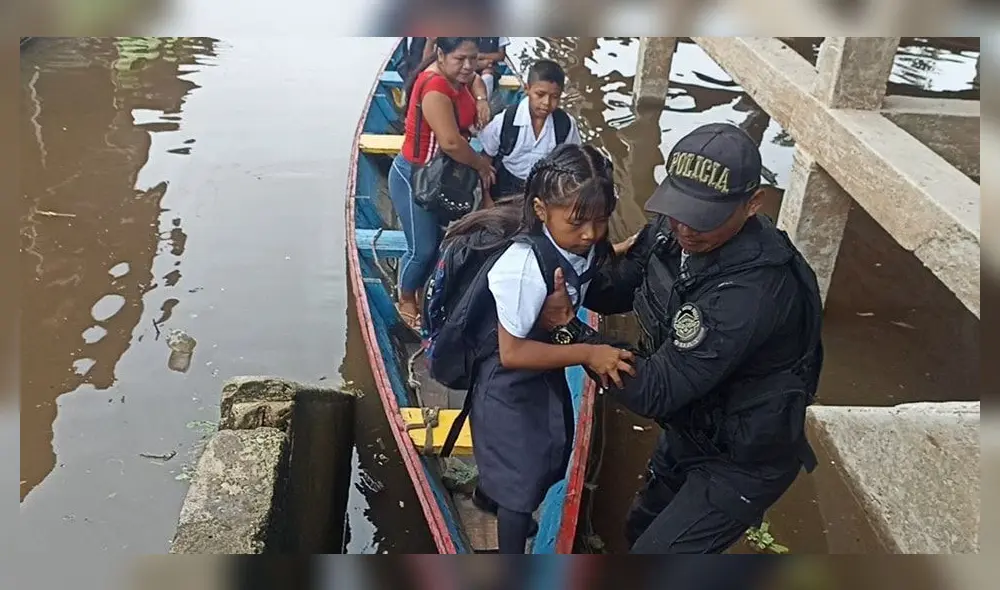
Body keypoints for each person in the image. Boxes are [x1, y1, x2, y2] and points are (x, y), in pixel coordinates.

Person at [536, 122, 825, 554]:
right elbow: (613, 289)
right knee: (639, 527)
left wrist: (569, 329)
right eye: (679, 209)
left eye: (704, 217)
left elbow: (655, 390)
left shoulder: (752, 294)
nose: (686, 229)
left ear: (752, 204)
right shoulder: (671, 232)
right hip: (691, 425)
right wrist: (571, 253)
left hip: (741, 460)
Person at [443, 144, 635, 554]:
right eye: (578, 222)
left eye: (601, 221)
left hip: (542, 368)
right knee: (520, 483)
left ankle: (487, 497)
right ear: (541, 210)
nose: (590, 234)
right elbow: (512, 354)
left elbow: (587, 259)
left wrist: (618, 250)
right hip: (507, 381)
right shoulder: (522, 268)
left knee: (544, 453)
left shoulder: (577, 243)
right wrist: (588, 353)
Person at [389, 37, 496, 329]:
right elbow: (450, 143)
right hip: (415, 176)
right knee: (422, 250)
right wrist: (481, 164)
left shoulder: (460, 75)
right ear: (440, 54)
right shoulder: (435, 87)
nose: (468, 66)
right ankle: (406, 296)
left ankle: (424, 290)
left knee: (440, 243)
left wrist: (482, 100)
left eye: (473, 58)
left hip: (443, 176)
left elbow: (476, 80)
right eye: (460, 59)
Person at [478, 59, 582, 200]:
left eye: (554, 97)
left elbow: (573, 160)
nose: (546, 103)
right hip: (506, 183)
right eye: (540, 94)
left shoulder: (565, 125)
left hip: (542, 188)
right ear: (527, 89)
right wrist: (487, 197)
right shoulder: (506, 120)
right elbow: (486, 158)